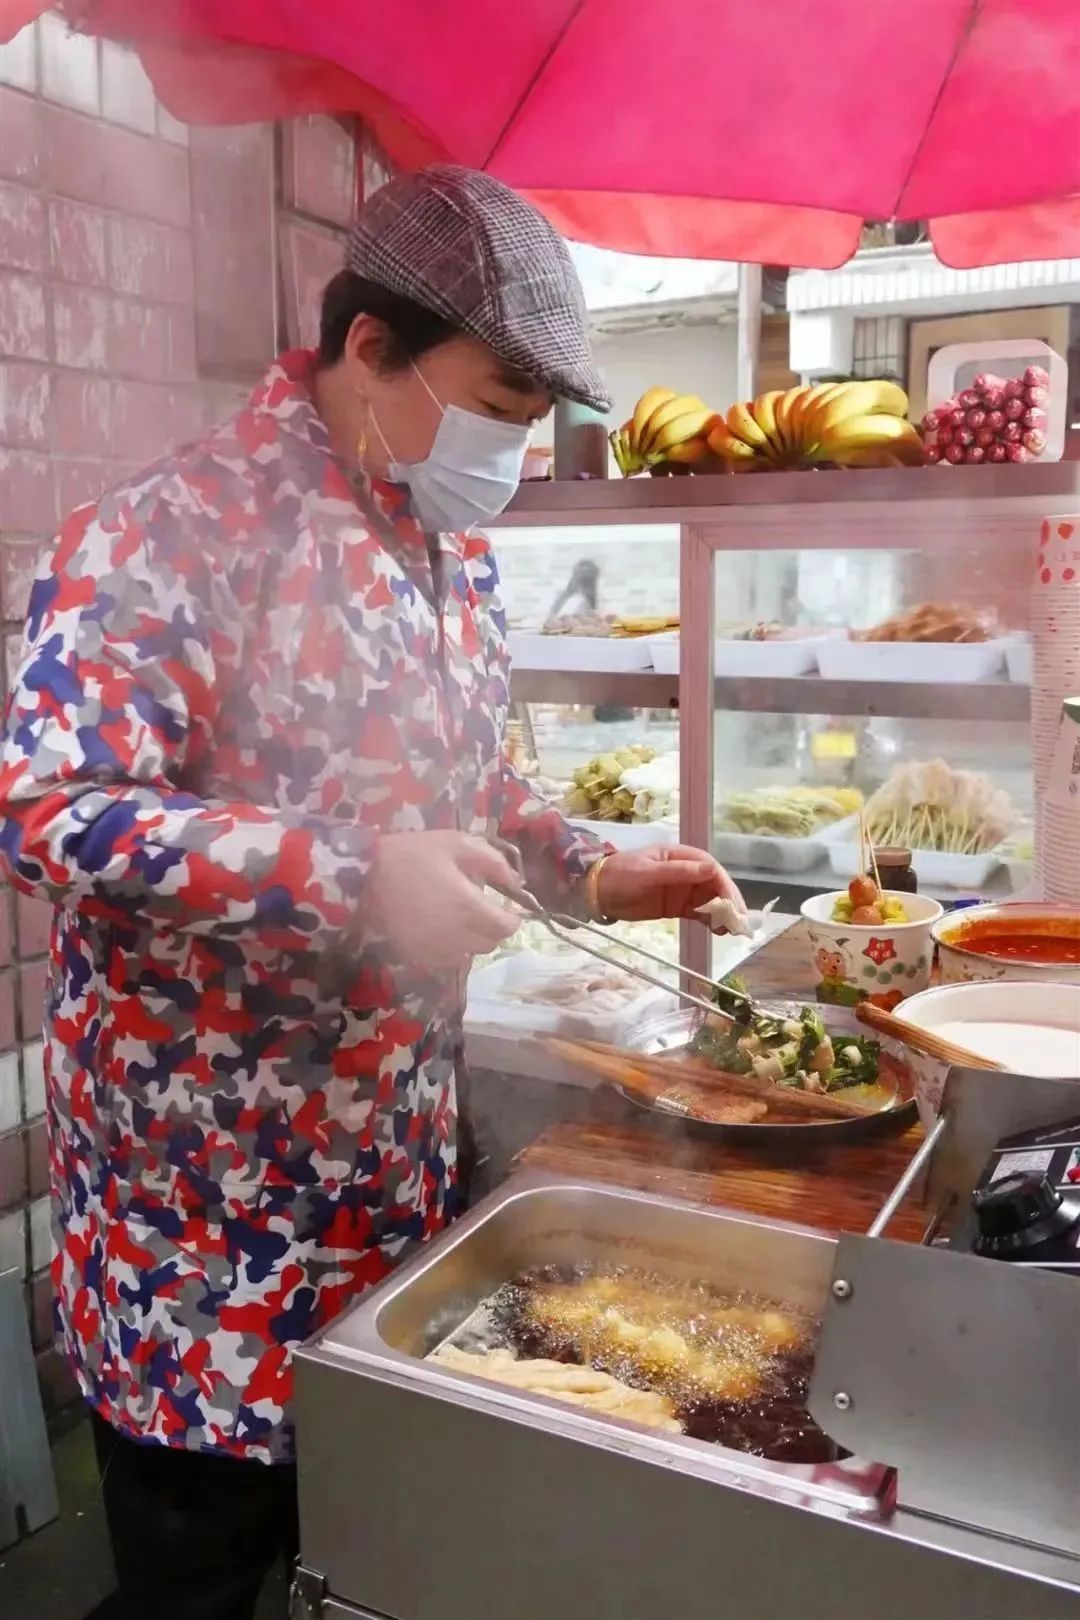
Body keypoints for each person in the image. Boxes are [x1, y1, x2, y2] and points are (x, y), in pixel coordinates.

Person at [0, 165, 742, 1620]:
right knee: (199, 1579)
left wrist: (587, 865)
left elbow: (472, 780)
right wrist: (350, 876)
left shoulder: (447, 549)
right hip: (203, 1219)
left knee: (357, 1556)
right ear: (370, 347)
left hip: (389, 1182)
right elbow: (48, 811)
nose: (516, 448)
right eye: (504, 405)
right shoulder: (172, 526)